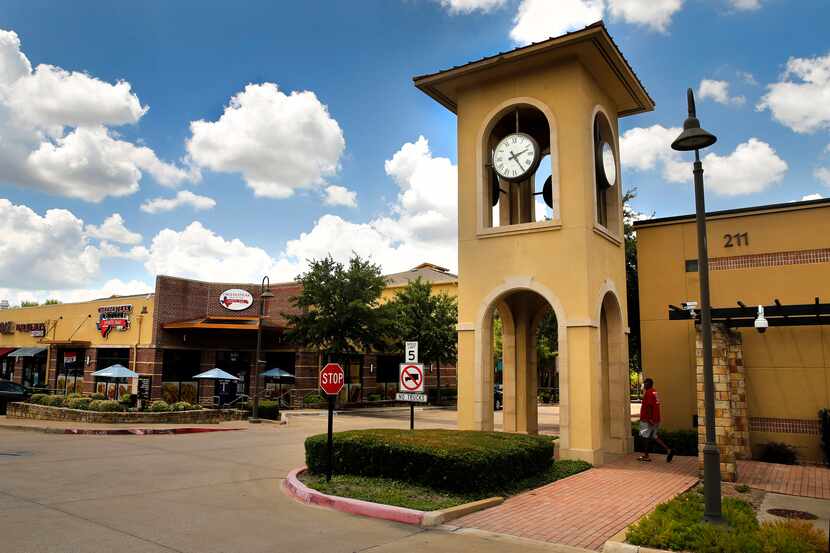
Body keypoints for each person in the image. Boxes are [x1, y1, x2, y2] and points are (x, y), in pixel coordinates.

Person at [638, 378, 674, 462]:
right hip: (656, 419)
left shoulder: (649, 393)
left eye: (645, 383)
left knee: (644, 437)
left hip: (647, 420)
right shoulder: (655, 392)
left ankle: (646, 456)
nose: (644, 385)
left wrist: (650, 419)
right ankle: (668, 450)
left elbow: (650, 406)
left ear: (648, 384)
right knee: (654, 436)